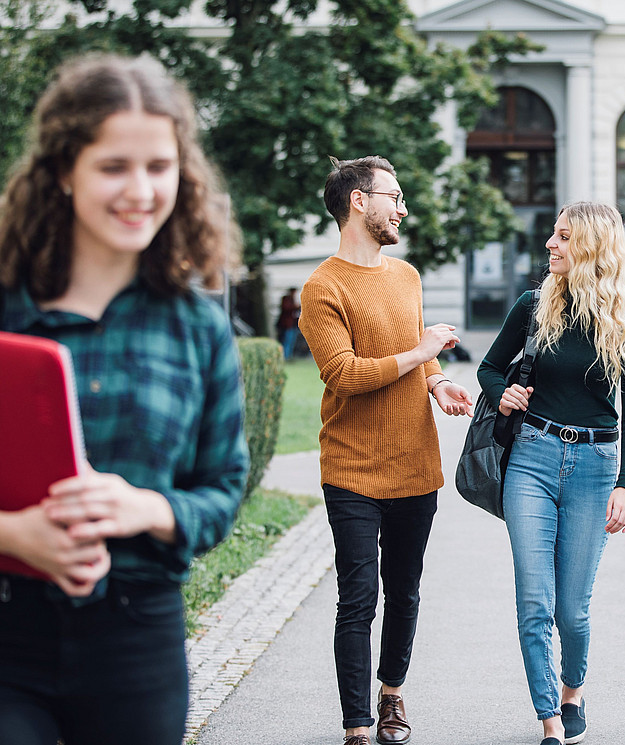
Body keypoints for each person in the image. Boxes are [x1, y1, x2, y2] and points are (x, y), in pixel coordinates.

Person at [0, 53, 249, 745]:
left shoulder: (196, 325)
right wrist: (16, 535)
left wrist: (148, 506)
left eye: (158, 167)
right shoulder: (7, 307)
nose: (139, 189)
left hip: (138, 637)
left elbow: (223, 488)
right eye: (114, 166)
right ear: (62, 171)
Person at [298, 155, 473, 745]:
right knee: (358, 597)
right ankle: (357, 727)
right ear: (358, 201)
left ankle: (392, 695)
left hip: (415, 462)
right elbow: (345, 374)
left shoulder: (407, 277)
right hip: (351, 466)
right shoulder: (322, 287)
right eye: (393, 196)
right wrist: (424, 355)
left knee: (405, 591)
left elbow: (412, 353)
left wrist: (437, 380)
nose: (402, 208)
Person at [478, 202, 625, 745]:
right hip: (531, 457)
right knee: (534, 601)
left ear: (592, 247)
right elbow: (488, 366)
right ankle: (550, 717)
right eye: (552, 235)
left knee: (571, 610)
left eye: (562, 237)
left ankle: (573, 689)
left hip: (595, 467)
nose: (550, 245)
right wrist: (500, 394)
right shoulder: (533, 306)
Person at [276, 287, 301, 359]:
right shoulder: (286, 299)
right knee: (286, 341)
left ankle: (288, 356)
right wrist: (295, 307)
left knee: (291, 341)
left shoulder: (293, 300)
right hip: (287, 325)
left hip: (292, 324)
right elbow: (286, 308)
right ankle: (284, 357)